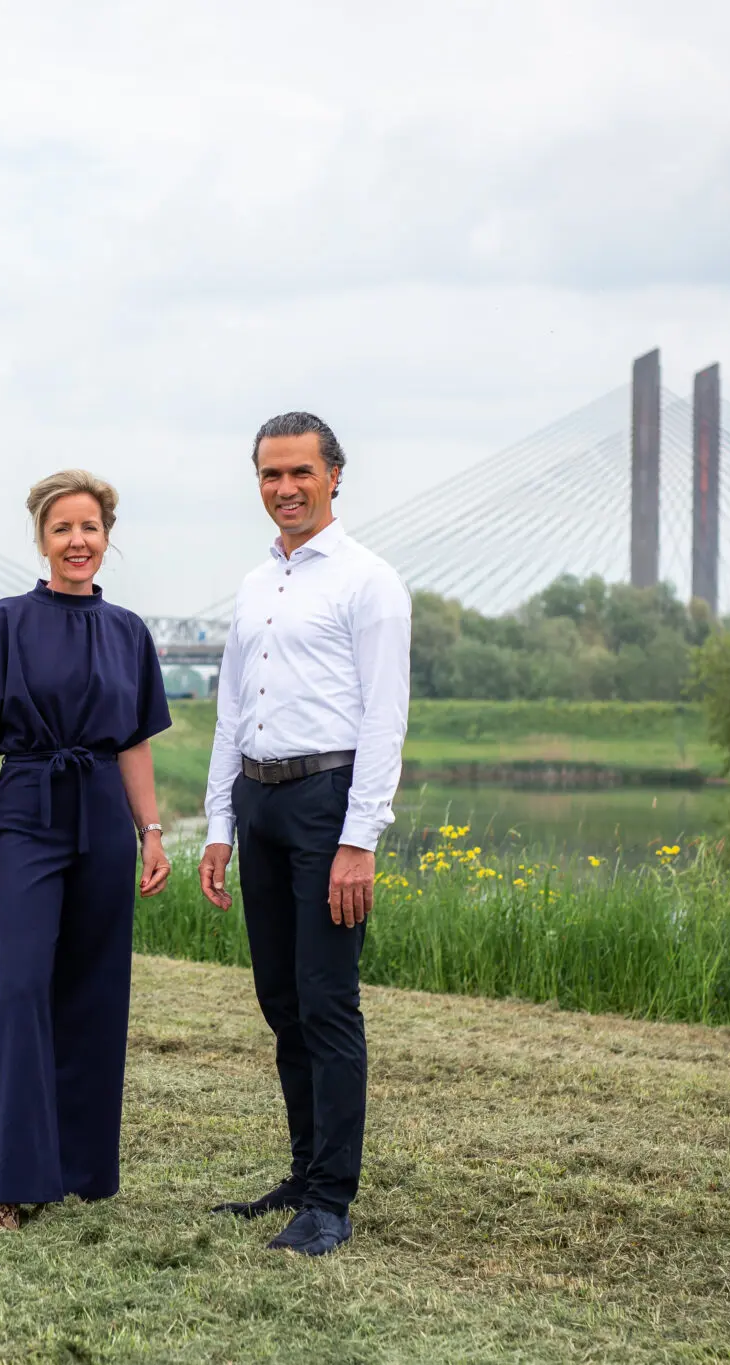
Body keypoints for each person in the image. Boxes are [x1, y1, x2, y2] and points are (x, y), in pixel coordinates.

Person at [198, 412, 411, 1257]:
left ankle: (331, 1201)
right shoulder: (256, 585)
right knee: (280, 1003)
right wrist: (218, 826)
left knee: (327, 1005)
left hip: (328, 803)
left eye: (299, 473)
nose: (284, 488)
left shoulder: (370, 583)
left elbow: (386, 720)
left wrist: (359, 838)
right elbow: (227, 713)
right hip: (259, 802)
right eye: (268, 475)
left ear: (333, 477)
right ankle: (299, 1174)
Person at [0, 469, 173, 1232]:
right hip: (27, 811)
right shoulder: (3, 622)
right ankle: (9, 1181)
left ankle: (77, 1170)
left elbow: (133, 741)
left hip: (105, 814)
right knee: (19, 987)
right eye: (63, 528)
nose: (79, 541)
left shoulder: (130, 632)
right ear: (42, 539)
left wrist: (151, 831)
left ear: (107, 538)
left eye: (91, 528)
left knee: (95, 992)